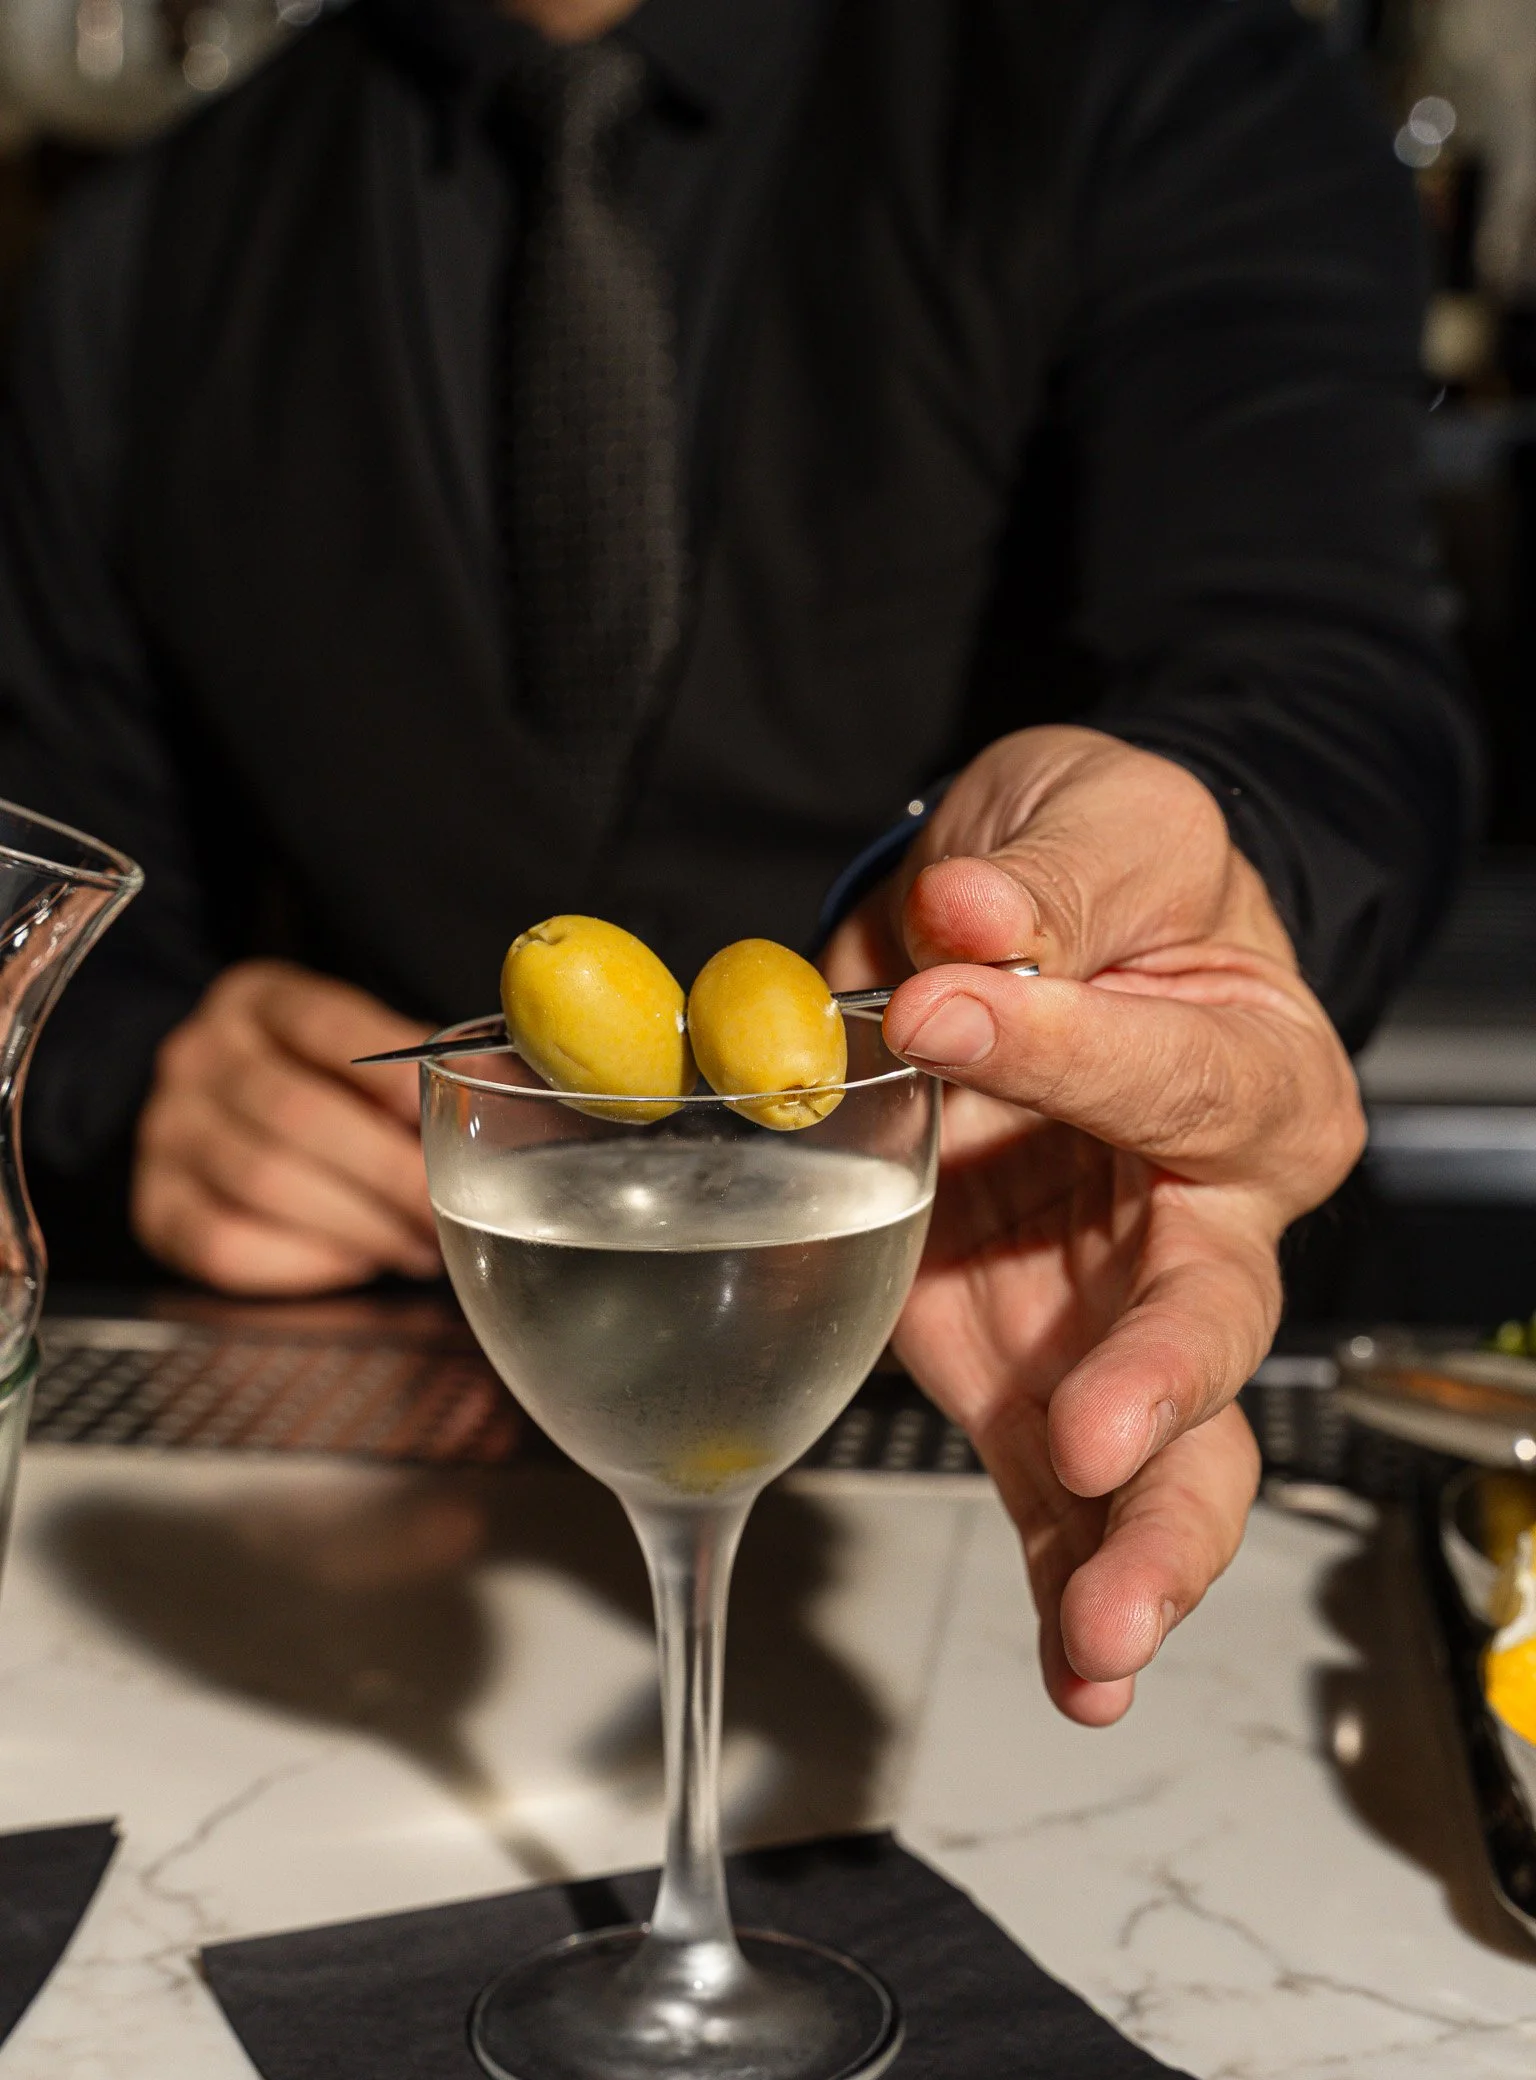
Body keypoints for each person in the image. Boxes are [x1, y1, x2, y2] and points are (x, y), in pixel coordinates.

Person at [0, 0, 1475, 1724]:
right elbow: (44, 843)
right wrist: (143, 1074)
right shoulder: (147, 247)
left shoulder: (1168, 76)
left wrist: (1223, 860)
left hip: (1044, 1406)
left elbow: (1330, 667)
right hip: (402, 1513)